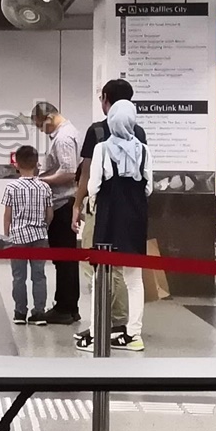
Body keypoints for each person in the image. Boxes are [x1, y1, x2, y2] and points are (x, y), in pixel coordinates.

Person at [78, 100, 151, 351]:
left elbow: (93, 185)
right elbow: (149, 186)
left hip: (109, 215)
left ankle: (97, 332)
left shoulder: (102, 148)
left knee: (101, 277)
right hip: (136, 218)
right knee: (134, 278)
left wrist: (95, 203)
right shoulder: (144, 149)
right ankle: (134, 334)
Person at [71, 79, 133, 343]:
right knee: (117, 267)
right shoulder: (137, 131)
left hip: (101, 206)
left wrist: (77, 204)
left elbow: (86, 173)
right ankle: (116, 323)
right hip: (128, 208)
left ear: (106, 98)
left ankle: (104, 324)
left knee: (97, 267)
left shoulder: (97, 131)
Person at [30, 101, 81, 324]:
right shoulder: (70, 133)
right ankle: (70, 306)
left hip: (62, 203)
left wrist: (41, 180)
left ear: (49, 118)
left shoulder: (62, 138)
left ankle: (64, 308)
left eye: (42, 126)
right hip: (65, 202)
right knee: (67, 258)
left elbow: (68, 173)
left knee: (63, 259)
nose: (42, 131)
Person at [1, 144, 50, 324]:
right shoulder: (44, 187)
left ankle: (20, 312)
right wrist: (44, 226)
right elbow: (49, 213)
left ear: (16, 164)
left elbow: (8, 216)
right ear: (37, 163)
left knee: (18, 276)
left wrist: (6, 236)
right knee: (39, 275)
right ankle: (39, 313)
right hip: (40, 236)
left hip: (17, 237)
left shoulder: (11, 187)